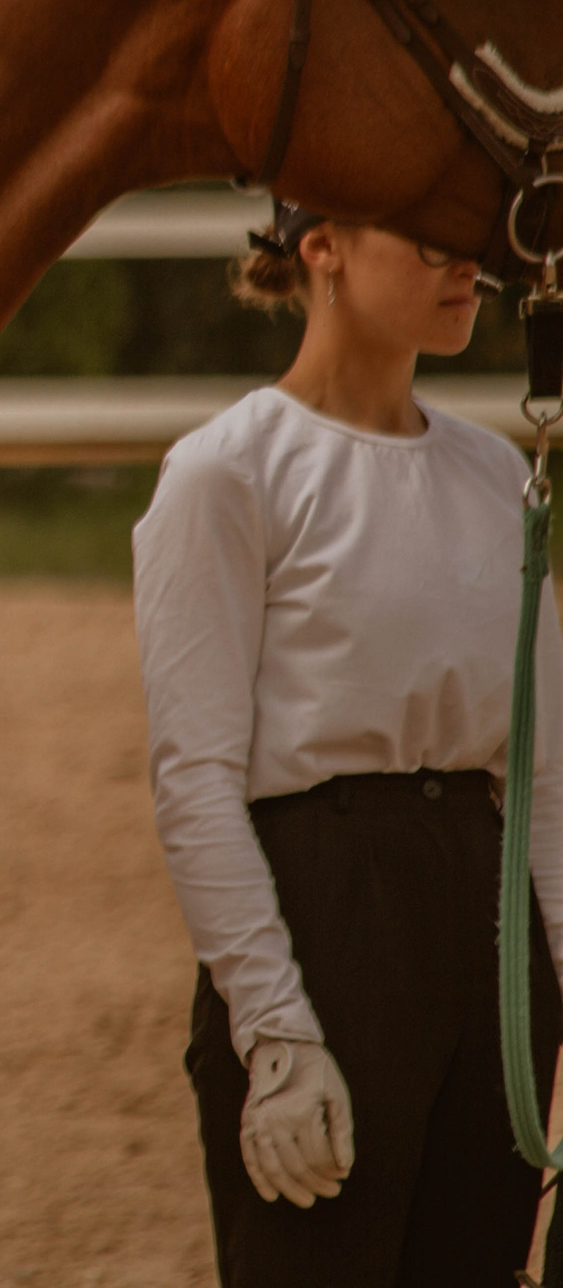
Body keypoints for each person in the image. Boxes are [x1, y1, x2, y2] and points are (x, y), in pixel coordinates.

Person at [132, 202, 563, 1284]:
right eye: (428, 231)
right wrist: (273, 1029)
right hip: (322, 922)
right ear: (318, 245)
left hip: (491, 935)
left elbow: (547, 773)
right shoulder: (224, 474)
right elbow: (195, 783)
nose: (465, 260)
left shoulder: (492, 471)